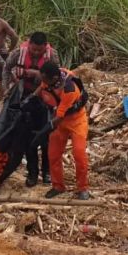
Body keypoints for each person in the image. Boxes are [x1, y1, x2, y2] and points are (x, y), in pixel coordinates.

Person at [3, 31, 60, 187]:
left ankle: (47, 172)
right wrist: (5, 88)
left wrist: (36, 74)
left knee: (47, 139)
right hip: (26, 99)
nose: (35, 53)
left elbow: (57, 76)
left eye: (38, 51)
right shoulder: (19, 52)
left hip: (46, 101)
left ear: (45, 47)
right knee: (29, 139)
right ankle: (32, 173)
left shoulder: (52, 55)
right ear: (29, 44)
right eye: (33, 50)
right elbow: (6, 68)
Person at [38, 62, 90, 200]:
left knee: (79, 154)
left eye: (45, 79)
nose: (43, 82)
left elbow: (60, 116)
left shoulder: (69, 89)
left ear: (54, 78)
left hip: (76, 120)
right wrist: (31, 99)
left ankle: (83, 188)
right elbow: (41, 88)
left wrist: (43, 131)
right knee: (53, 154)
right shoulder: (51, 79)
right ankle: (58, 186)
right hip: (59, 121)